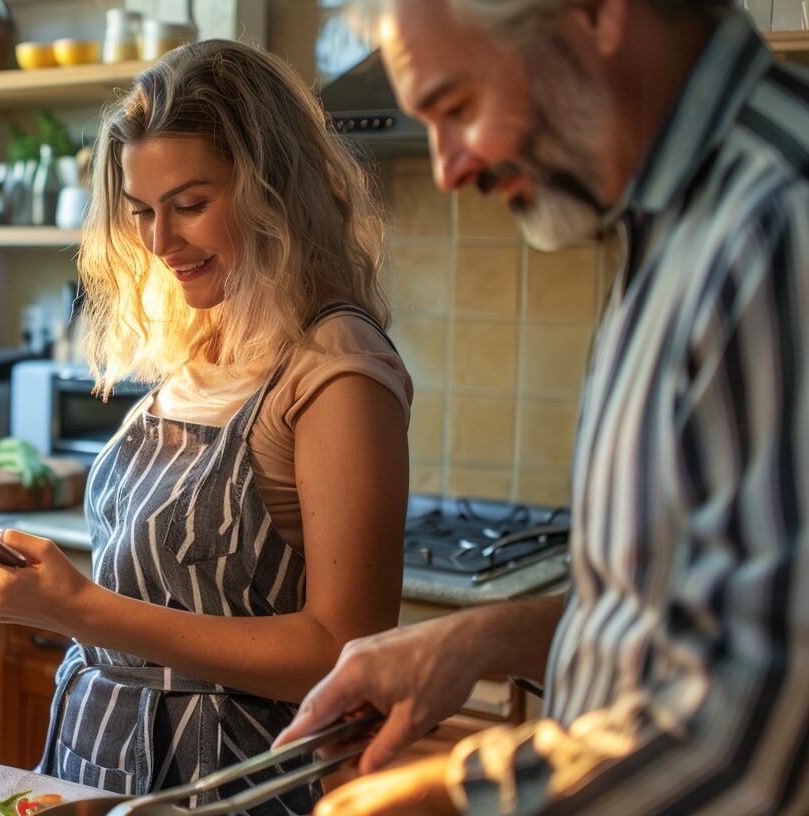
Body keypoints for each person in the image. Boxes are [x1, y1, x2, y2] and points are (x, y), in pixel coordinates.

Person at [275, 1, 809, 814]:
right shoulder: (671, 225)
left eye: (457, 107)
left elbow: (749, 729)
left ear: (595, 13)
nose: (449, 168)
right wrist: (478, 638)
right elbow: (686, 616)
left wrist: (447, 793)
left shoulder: (777, 225)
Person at [0, 39, 412, 815]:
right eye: (142, 212)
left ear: (272, 190)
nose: (158, 242)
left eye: (189, 205)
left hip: (223, 786)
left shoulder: (335, 367)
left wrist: (74, 609)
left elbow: (343, 648)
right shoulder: (207, 338)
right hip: (94, 764)